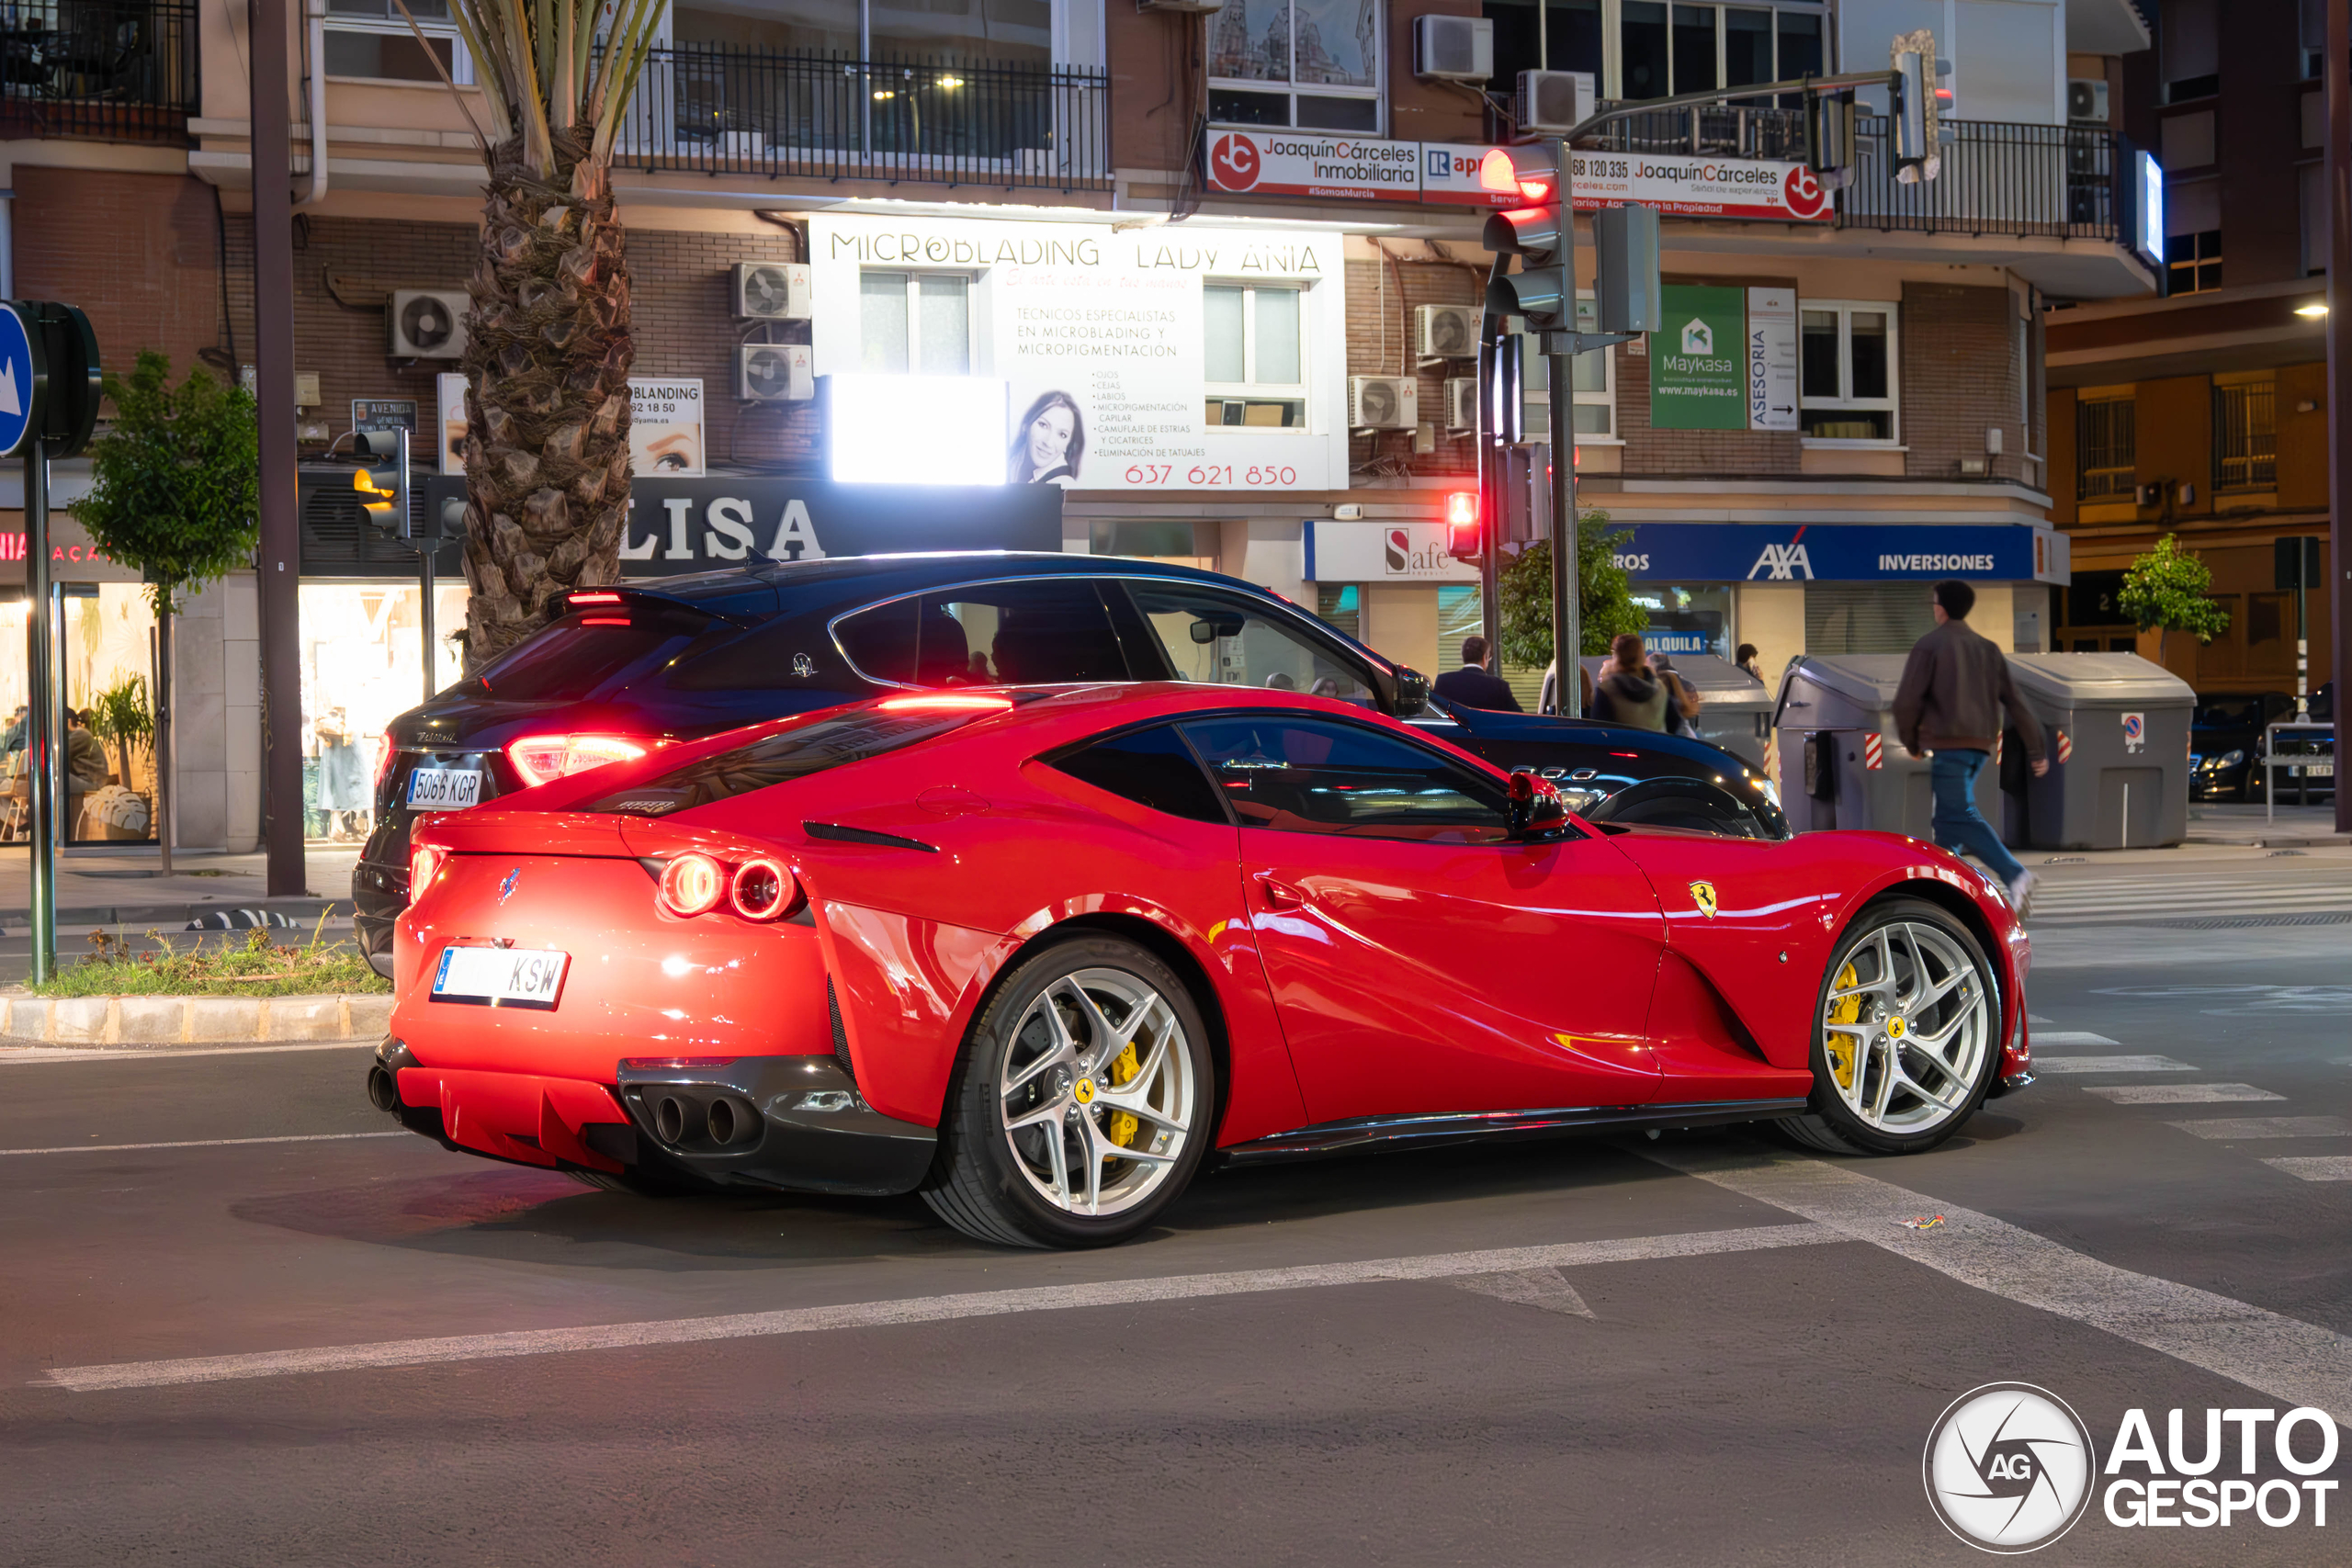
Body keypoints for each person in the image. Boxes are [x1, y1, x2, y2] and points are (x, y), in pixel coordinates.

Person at [1894, 579, 2049, 913]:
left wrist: (1911, 740)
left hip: (1949, 745)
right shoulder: (1987, 648)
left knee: (1959, 816)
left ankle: (2016, 874)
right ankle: (1942, 896)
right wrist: (2036, 748)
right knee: (1947, 827)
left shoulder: (1930, 645)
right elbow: (2016, 701)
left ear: (1943, 607)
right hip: (1979, 746)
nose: (1933, 608)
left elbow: (1907, 700)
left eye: (1935, 602)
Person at [1589, 634, 1675, 730]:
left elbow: (1599, 730)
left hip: (1621, 745)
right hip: (1655, 745)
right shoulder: (1660, 688)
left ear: (1617, 656)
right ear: (1642, 655)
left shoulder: (1607, 690)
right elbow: (1673, 725)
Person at [1008, 391, 1085, 484]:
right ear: (1026, 425)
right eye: (1043, 425)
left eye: (1062, 434)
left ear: (1068, 444)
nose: (1048, 443)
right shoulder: (1010, 456)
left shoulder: (1064, 484)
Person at [1431, 636, 1521, 712]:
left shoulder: (1443, 681)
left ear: (1463, 656)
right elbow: (1519, 716)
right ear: (1484, 657)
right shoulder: (1499, 686)